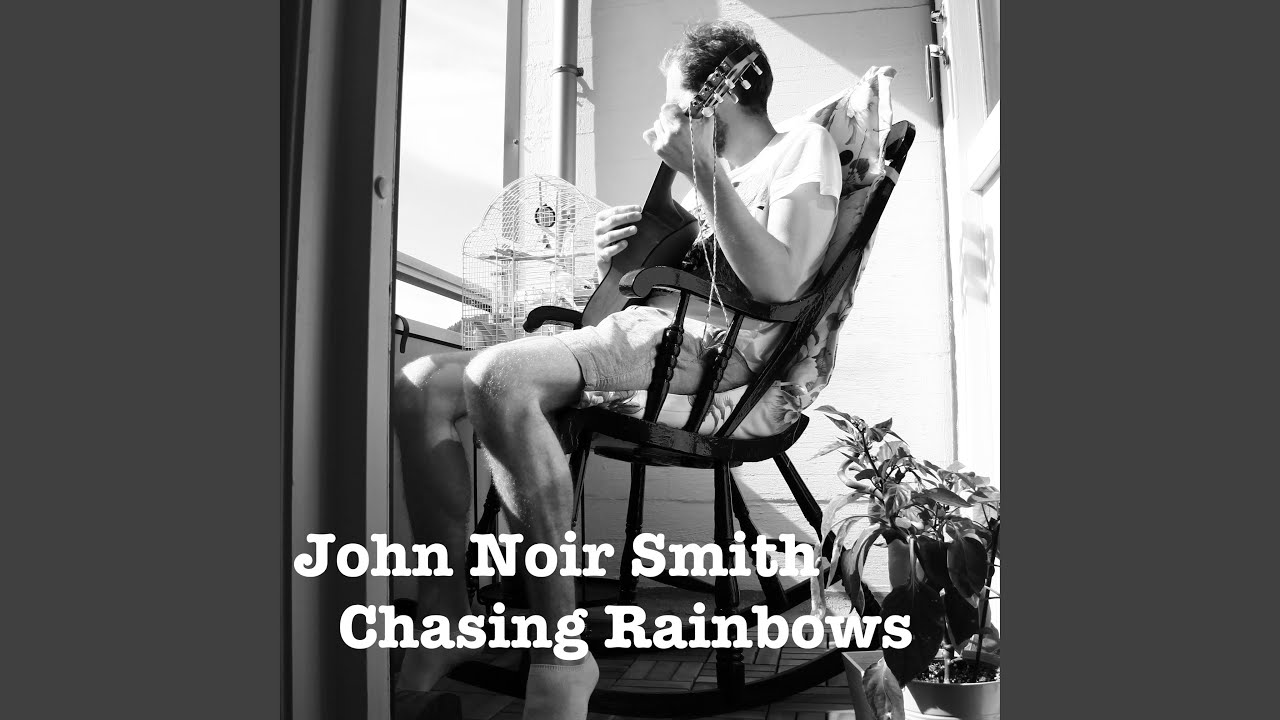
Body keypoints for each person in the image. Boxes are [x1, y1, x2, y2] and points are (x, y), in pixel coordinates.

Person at [391, 19, 842, 720]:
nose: (665, 120)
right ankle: (448, 609)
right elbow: (648, 282)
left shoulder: (802, 147)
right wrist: (623, 251)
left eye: (676, 102)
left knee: (499, 379)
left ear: (718, 96)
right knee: (420, 385)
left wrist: (701, 172)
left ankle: (561, 653)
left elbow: (780, 281)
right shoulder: (709, 183)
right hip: (639, 330)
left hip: (705, 351)